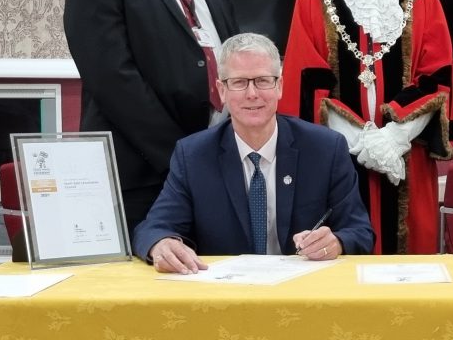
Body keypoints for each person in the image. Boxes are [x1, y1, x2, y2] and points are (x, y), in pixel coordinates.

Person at [280, 0, 453, 255]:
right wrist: (364, 142)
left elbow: (438, 78)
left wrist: (393, 139)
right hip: (338, 161)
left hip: (407, 160)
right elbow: (306, 85)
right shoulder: (310, 2)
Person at [64, 0, 239, 234]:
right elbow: (114, 81)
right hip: (143, 172)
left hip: (217, 159)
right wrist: (183, 155)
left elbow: (233, 59)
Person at [133, 33, 374, 273]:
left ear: (279, 86)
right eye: (239, 82)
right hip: (226, 295)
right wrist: (161, 244)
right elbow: (153, 229)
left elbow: (360, 232)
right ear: (221, 90)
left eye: (262, 80)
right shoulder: (193, 155)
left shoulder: (325, 148)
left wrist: (337, 242)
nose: (252, 94)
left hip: (303, 293)